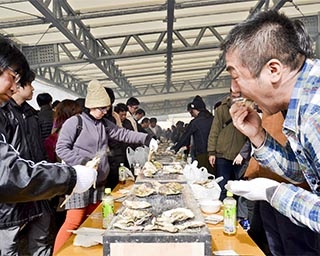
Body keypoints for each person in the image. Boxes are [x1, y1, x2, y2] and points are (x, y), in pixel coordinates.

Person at [222, 10, 320, 233]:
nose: (235, 90)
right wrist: (258, 136)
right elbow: (301, 171)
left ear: (273, 70)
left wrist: (274, 193)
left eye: (236, 77)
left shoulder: (315, 112)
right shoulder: (303, 101)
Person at [0, 36, 97, 255]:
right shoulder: (9, 114)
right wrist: (70, 176)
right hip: (12, 200)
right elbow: (7, 173)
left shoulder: (29, 115)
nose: (15, 86)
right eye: (13, 77)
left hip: (31, 190)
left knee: (40, 242)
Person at [53, 80, 158, 253]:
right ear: (92, 106)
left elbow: (122, 133)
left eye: (107, 108)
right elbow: (61, 149)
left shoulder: (103, 123)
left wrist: (146, 138)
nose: (105, 111)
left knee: (94, 220)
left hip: (99, 180)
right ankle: (59, 252)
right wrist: (85, 162)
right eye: (102, 108)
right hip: (79, 181)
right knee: (73, 221)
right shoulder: (75, 123)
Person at [207, 90, 247, 200]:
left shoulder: (247, 109)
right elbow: (214, 131)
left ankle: (237, 214)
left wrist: (244, 153)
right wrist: (211, 152)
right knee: (222, 187)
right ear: (231, 94)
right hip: (222, 154)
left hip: (239, 155)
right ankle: (221, 213)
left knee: (239, 188)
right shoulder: (221, 110)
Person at [171, 95, 215, 174]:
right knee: (213, 176)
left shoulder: (195, 122)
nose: (191, 115)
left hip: (202, 154)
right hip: (215, 154)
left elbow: (185, 137)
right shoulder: (213, 118)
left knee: (203, 177)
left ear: (196, 109)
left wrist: (175, 148)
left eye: (191, 112)